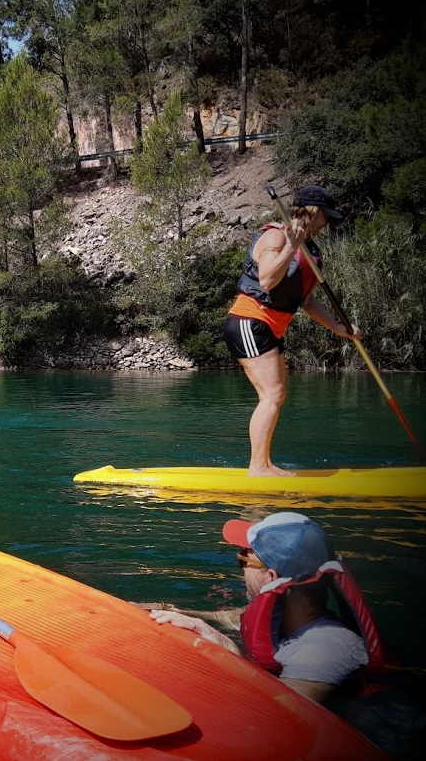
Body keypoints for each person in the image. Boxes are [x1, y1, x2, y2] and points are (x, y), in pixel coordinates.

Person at [148, 512, 387, 705]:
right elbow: (230, 618)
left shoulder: (322, 651)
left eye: (244, 558)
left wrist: (229, 653)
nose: (240, 567)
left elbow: (282, 720)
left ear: (271, 578)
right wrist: (163, 609)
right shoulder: (287, 617)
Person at [223, 185, 361, 476]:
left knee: (277, 394)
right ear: (313, 213)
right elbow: (266, 281)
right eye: (325, 216)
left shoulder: (311, 250)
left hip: (272, 326)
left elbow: (307, 301)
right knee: (272, 393)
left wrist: (339, 328)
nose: (327, 223)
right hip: (250, 320)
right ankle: (258, 467)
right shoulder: (275, 236)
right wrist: (290, 246)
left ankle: (265, 463)